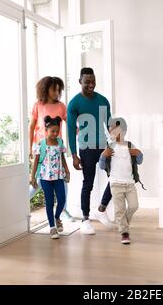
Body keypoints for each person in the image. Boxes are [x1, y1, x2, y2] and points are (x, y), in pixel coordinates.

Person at [67, 67, 114, 235]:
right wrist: (74, 155)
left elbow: (110, 124)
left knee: (116, 178)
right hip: (86, 149)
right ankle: (85, 220)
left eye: (93, 81)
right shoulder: (74, 103)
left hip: (103, 147)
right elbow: (71, 130)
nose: (91, 85)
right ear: (80, 82)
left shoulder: (103, 101)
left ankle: (101, 209)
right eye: (87, 82)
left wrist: (115, 144)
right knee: (88, 184)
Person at [28, 76, 73, 221]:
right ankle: (21, 204)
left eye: (59, 90)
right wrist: (30, 147)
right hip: (41, 149)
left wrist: (80, 132)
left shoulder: (61, 106)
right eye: (54, 89)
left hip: (56, 149)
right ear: (45, 89)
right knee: (38, 181)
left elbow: (69, 123)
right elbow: (32, 126)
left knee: (61, 180)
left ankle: (61, 212)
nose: (57, 92)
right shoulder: (38, 105)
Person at [99, 117, 144, 244]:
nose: (112, 133)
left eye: (115, 130)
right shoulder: (109, 147)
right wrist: (103, 156)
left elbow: (139, 161)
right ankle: (124, 232)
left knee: (134, 206)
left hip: (129, 184)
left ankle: (122, 224)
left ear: (123, 131)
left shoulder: (130, 145)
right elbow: (102, 166)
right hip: (115, 184)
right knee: (120, 209)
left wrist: (139, 154)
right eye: (110, 131)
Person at [30, 116, 70, 239]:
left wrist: (67, 171)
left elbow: (62, 157)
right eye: (52, 131)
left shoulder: (60, 142)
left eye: (57, 131)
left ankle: (57, 217)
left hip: (58, 176)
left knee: (62, 200)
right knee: (49, 202)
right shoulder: (41, 144)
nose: (55, 133)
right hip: (45, 177)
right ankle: (52, 227)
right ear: (46, 130)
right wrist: (32, 177)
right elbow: (36, 161)